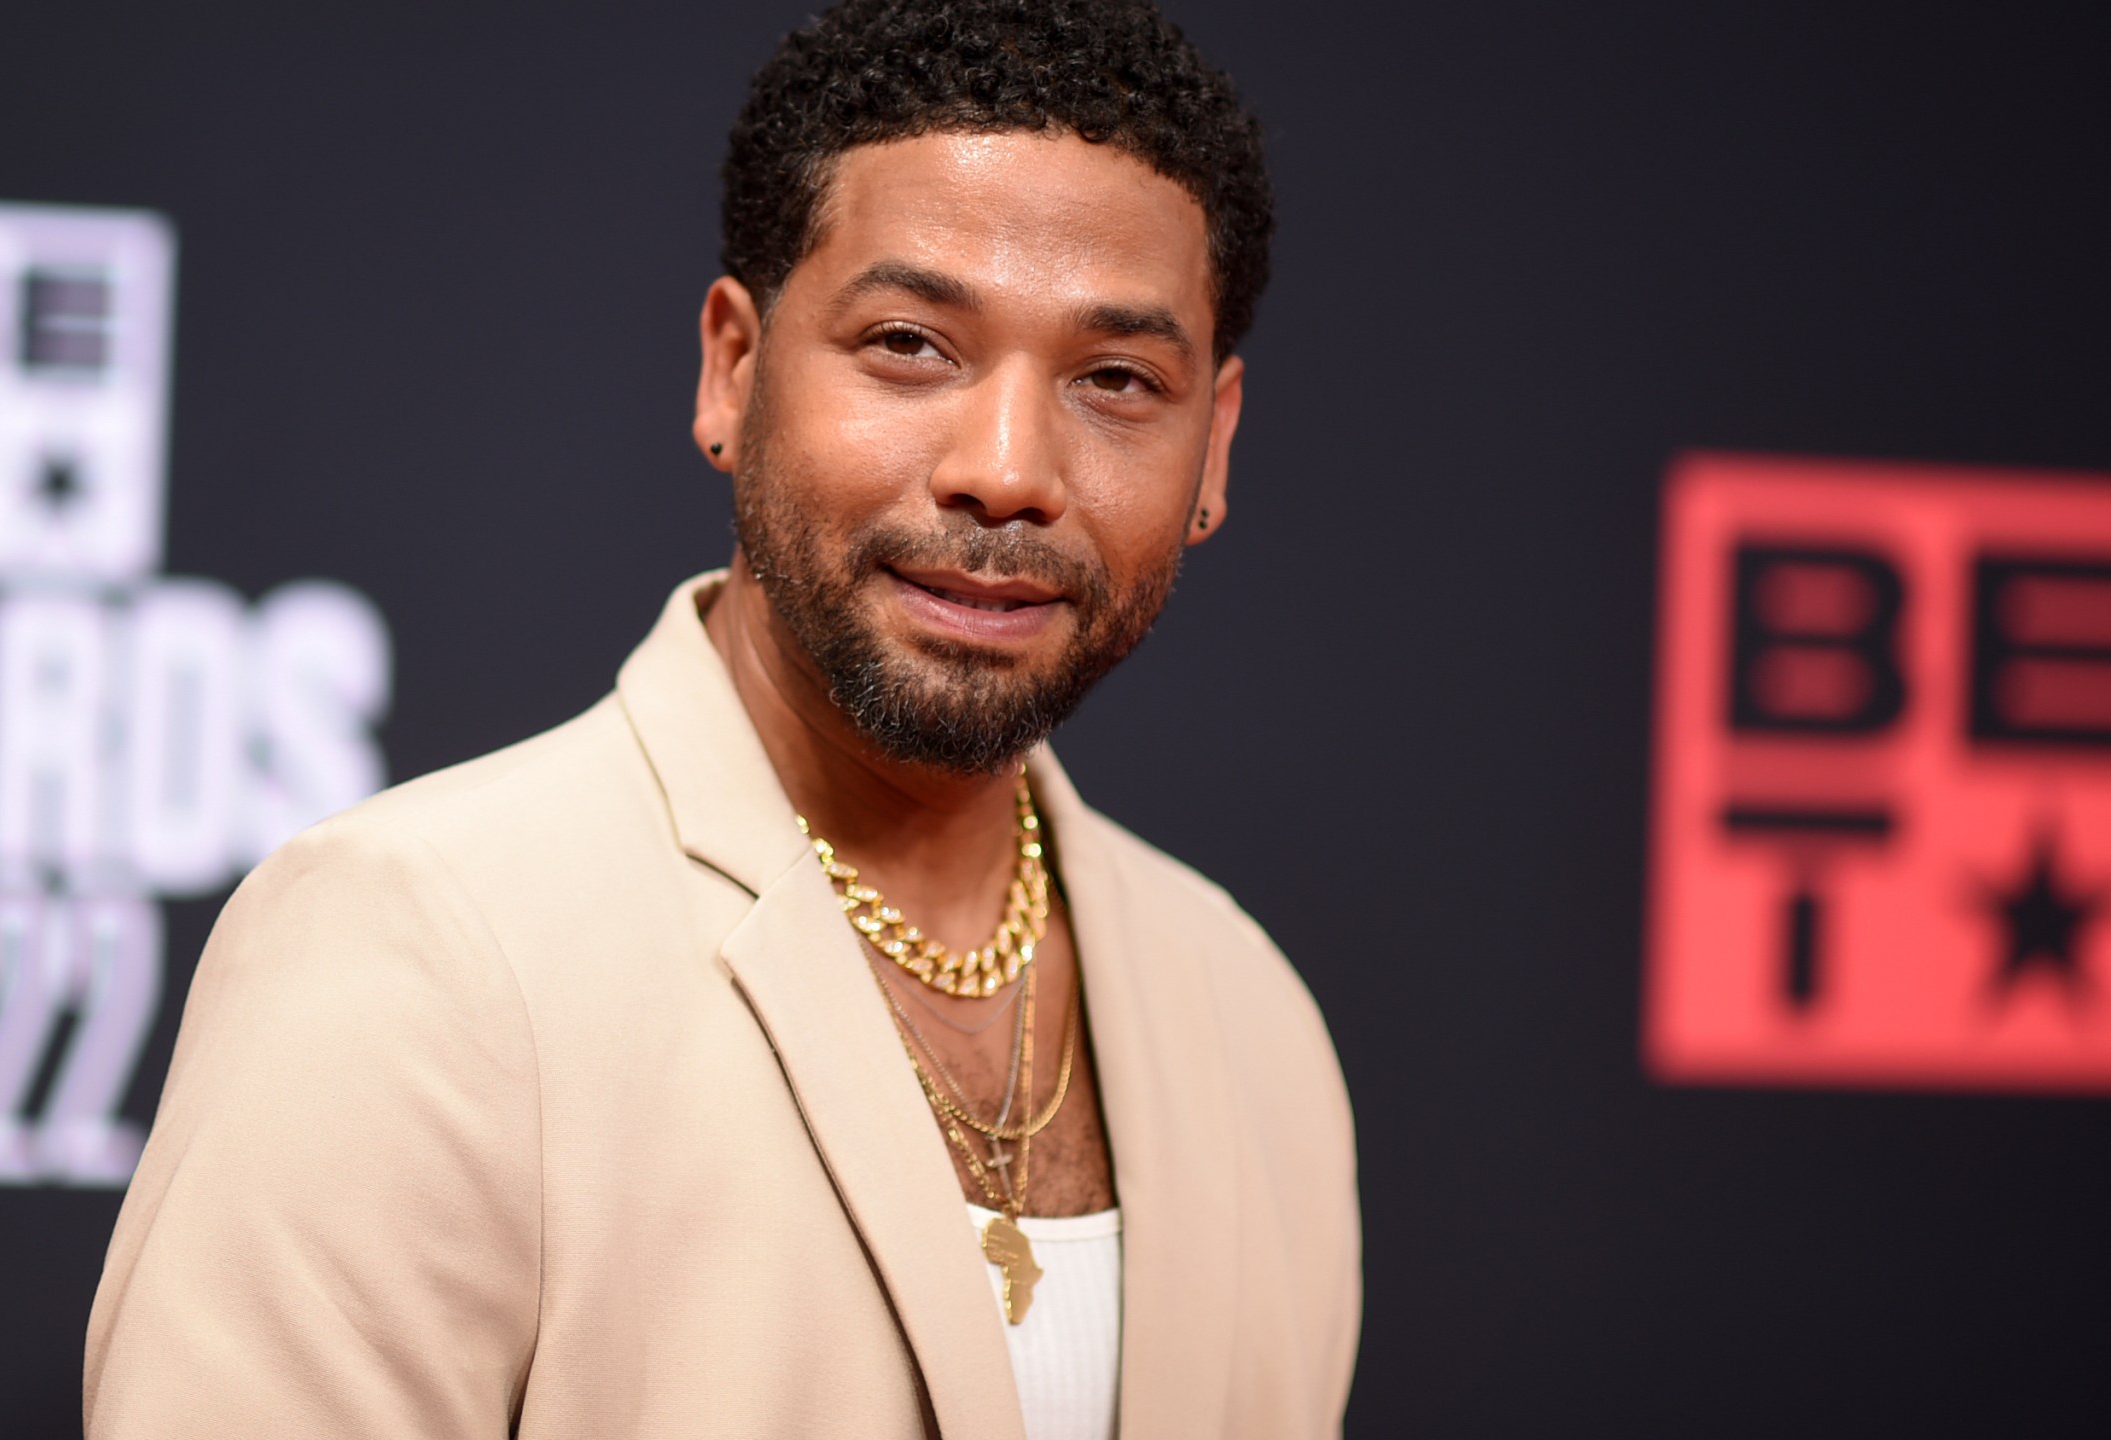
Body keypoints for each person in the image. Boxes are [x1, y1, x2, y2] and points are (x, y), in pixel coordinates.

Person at [84, 1, 1359, 1434]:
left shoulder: (1251, 1021)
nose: (1008, 472)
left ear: (1215, 444)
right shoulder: (421, 953)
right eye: (910, 344)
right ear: (733, 371)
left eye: (1115, 380)